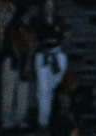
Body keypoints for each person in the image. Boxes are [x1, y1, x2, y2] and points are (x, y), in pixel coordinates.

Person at [32, 0, 70, 129]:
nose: (49, 7)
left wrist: (62, 40)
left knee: (59, 87)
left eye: (51, 4)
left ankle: (60, 119)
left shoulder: (61, 20)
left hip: (58, 55)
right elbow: (33, 38)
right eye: (47, 4)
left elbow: (68, 36)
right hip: (43, 56)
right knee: (44, 90)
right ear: (43, 6)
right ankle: (43, 122)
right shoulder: (37, 20)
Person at [0, 6, 35, 130]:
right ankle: (7, 120)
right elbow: (8, 46)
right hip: (11, 61)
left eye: (28, 16)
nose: (27, 18)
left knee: (23, 92)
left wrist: (27, 63)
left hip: (24, 63)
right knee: (8, 92)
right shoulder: (11, 29)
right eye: (25, 16)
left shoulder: (30, 30)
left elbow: (31, 47)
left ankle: (19, 119)